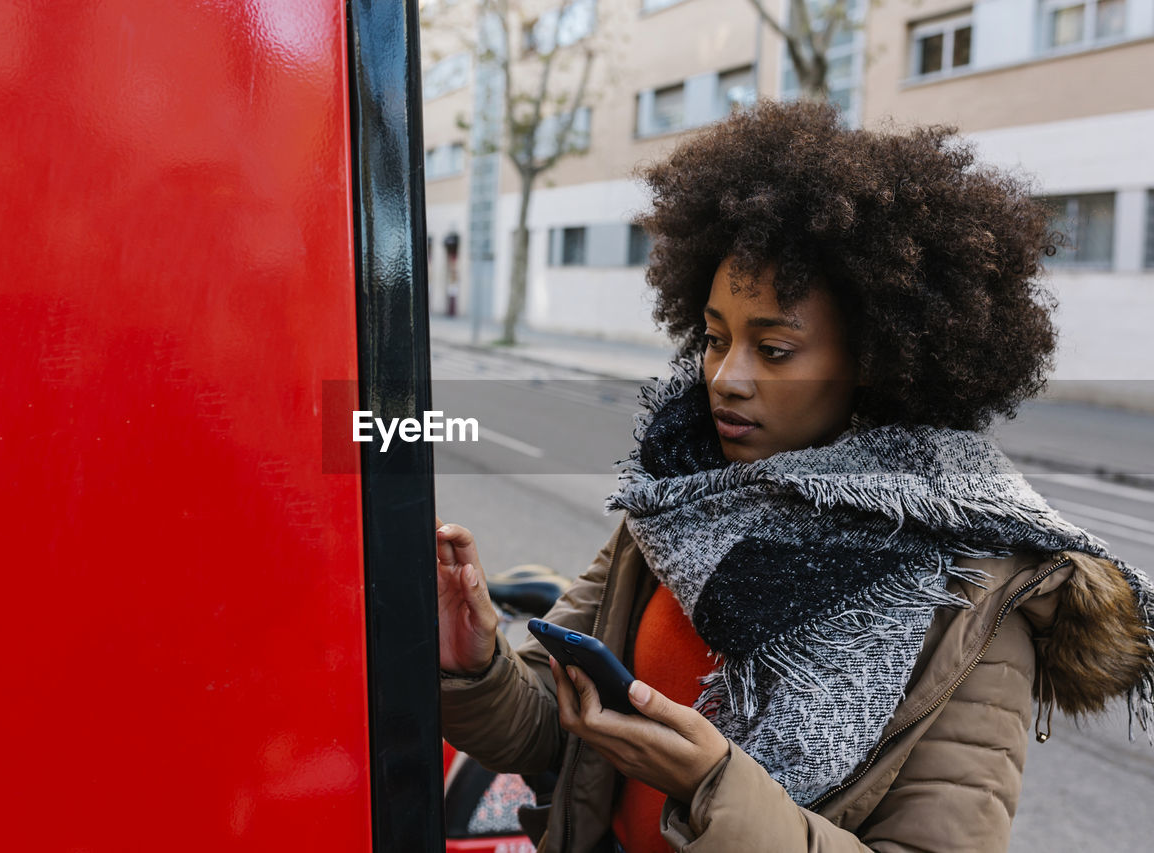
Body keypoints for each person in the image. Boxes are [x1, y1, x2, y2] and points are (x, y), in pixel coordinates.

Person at [435, 100, 1154, 853]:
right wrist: (475, 664)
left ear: (875, 364)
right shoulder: (678, 502)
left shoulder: (973, 590)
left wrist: (714, 788)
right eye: (715, 339)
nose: (726, 378)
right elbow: (559, 734)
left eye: (774, 350)